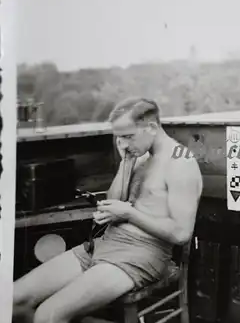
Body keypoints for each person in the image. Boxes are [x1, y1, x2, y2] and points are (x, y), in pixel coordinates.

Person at [12, 98, 203, 323]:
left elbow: (181, 234)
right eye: (118, 137)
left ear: (151, 128)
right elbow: (114, 200)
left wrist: (128, 213)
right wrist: (126, 163)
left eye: (128, 136)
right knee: (12, 299)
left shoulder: (181, 164)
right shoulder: (140, 156)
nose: (122, 144)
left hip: (142, 255)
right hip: (105, 243)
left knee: (48, 315)